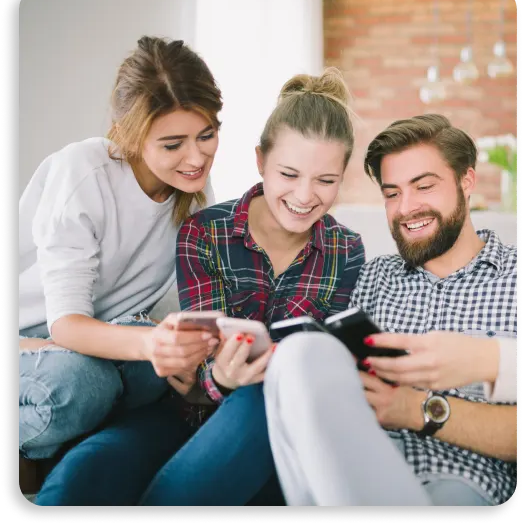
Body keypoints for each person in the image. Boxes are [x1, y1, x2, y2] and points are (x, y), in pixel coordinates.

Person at [36, 68, 366, 506]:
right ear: (260, 160)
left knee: (260, 396)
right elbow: (193, 370)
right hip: (182, 414)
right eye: (289, 174)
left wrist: (236, 382)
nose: (305, 196)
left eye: (326, 181)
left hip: (273, 421)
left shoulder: (348, 250)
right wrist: (218, 379)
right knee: (85, 474)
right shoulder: (203, 231)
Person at [263, 114, 517, 506]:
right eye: (392, 193)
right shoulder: (369, 277)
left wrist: (413, 409)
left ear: (467, 182)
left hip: (458, 480)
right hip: (352, 467)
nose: (406, 208)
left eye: (424, 187)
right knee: (299, 354)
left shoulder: (512, 278)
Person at [19, 36, 223, 491]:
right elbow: (66, 325)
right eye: (173, 144)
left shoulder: (193, 201)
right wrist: (152, 343)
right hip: (39, 338)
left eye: (206, 135)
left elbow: (165, 317)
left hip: (97, 339)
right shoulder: (84, 171)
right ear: (132, 135)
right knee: (77, 384)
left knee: (150, 378)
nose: (196, 158)